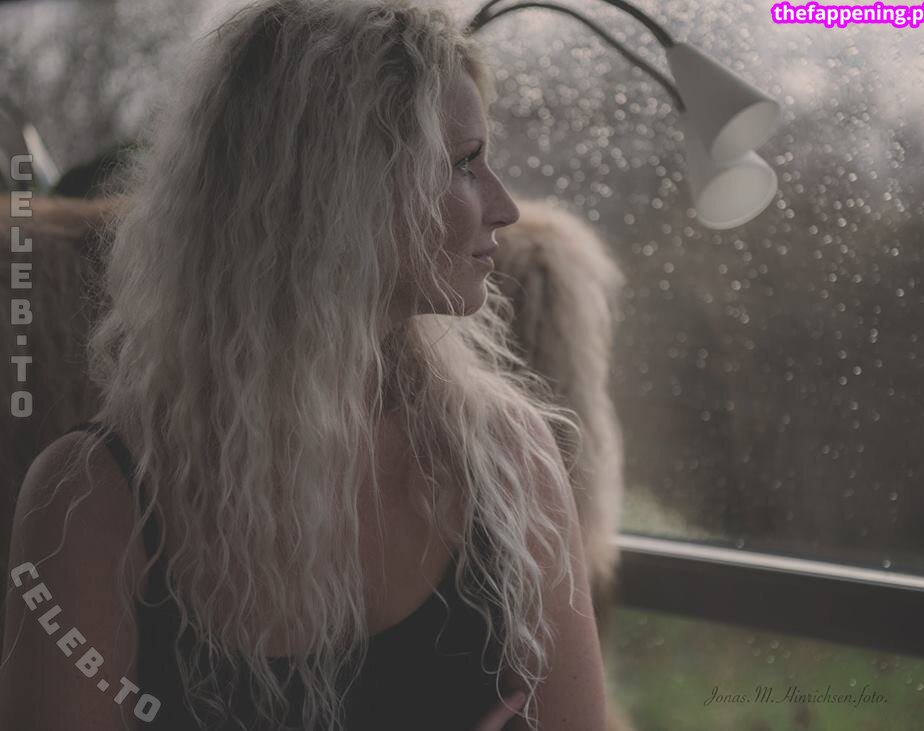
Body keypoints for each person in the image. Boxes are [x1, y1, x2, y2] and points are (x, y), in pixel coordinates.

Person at [0, 0, 607, 728]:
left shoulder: (508, 461)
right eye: (463, 164)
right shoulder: (92, 501)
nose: (504, 207)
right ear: (337, 192)